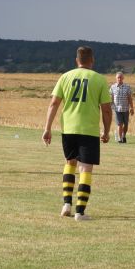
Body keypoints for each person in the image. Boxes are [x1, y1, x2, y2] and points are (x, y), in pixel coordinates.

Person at [42, 46, 112, 221]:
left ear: (76, 60)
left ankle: (66, 204)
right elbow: (106, 110)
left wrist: (47, 128)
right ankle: (80, 212)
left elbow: (53, 103)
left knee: (70, 163)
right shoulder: (99, 79)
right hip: (89, 130)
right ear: (92, 60)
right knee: (85, 169)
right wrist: (106, 131)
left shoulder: (65, 76)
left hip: (68, 128)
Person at [109, 72, 134, 143]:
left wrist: (131, 107)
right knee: (119, 124)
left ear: (123, 78)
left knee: (125, 124)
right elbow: (111, 98)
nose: (119, 79)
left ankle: (124, 136)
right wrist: (109, 107)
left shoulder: (127, 87)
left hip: (125, 109)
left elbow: (129, 98)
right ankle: (120, 139)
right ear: (116, 78)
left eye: (121, 77)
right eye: (118, 77)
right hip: (117, 109)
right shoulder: (112, 87)